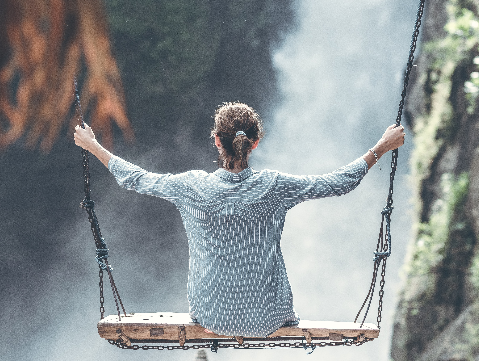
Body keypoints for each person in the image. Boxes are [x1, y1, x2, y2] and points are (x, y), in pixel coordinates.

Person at [74, 102, 405, 338]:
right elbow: (336, 183)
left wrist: (94, 146)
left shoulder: (191, 186)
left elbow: (137, 179)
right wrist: (380, 147)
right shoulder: (276, 187)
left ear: (217, 141)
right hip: (270, 318)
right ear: (254, 144)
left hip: (211, 316)